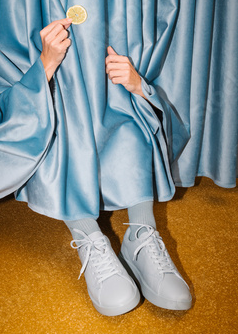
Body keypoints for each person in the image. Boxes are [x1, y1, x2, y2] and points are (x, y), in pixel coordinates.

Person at [35, 17, 192, 316]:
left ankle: (140, 235)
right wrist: (45, 64)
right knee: (61, 129)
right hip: (58, 103)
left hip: (116, 101)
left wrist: (138, 86)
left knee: (128, 120)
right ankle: (87, 236)